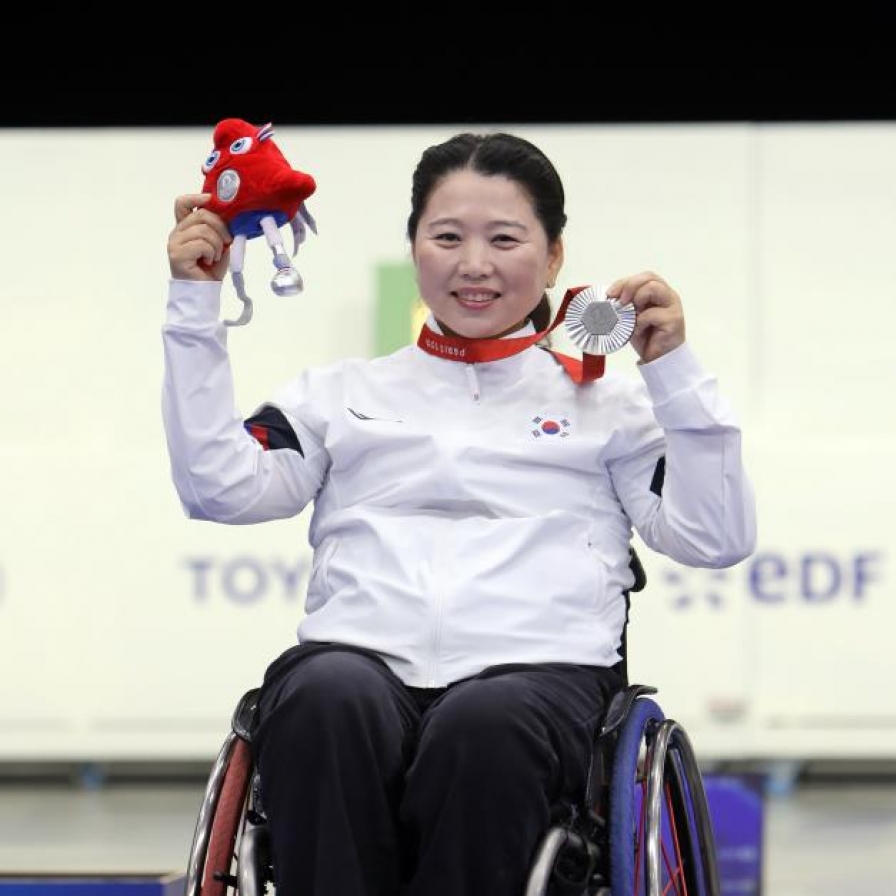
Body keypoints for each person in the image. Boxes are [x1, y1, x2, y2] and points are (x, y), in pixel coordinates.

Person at [162, 131, 757, 896]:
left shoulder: (613, 405)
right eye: (447, 237)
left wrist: (673, 370)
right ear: (416, 249)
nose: (474, 264)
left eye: (504, 239)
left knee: (485, 726)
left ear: (551, 258)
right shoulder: (340, 394)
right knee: (321, 698)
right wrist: (193, 305)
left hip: (537, 681)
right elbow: (218, 489)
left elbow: (715, 537)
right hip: (358, 664)